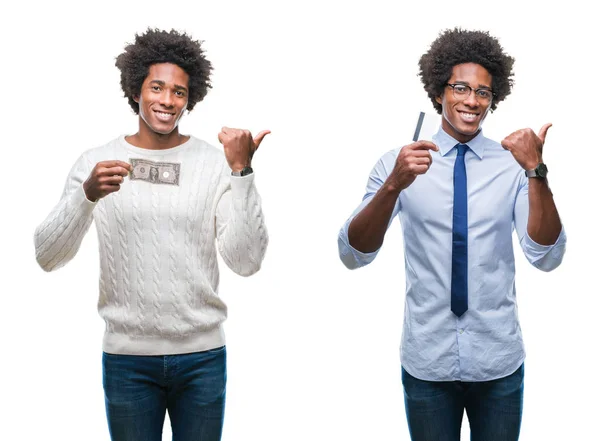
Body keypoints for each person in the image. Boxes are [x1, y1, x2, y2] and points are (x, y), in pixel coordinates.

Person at [34, 28, 269, 441]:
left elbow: (246, 262)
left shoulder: (213, 164)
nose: (167, 100)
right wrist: (85, 196)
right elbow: (47, 256)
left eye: (178, 92)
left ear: (190, 98)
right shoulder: (96, 162)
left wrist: (241, 172)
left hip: (202, 358)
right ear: (136, 89)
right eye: (156, 87)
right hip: (127, 361)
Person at [338, 28, 566, 441]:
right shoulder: (399, 162)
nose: (472, 101)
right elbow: (353, 253)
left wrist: (536, 170)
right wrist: (394, 185)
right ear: (438, 91)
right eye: (461, 87)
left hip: (498, 361)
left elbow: (545, 255)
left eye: (483, 92)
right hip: (428, 361)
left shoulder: (512, 164)